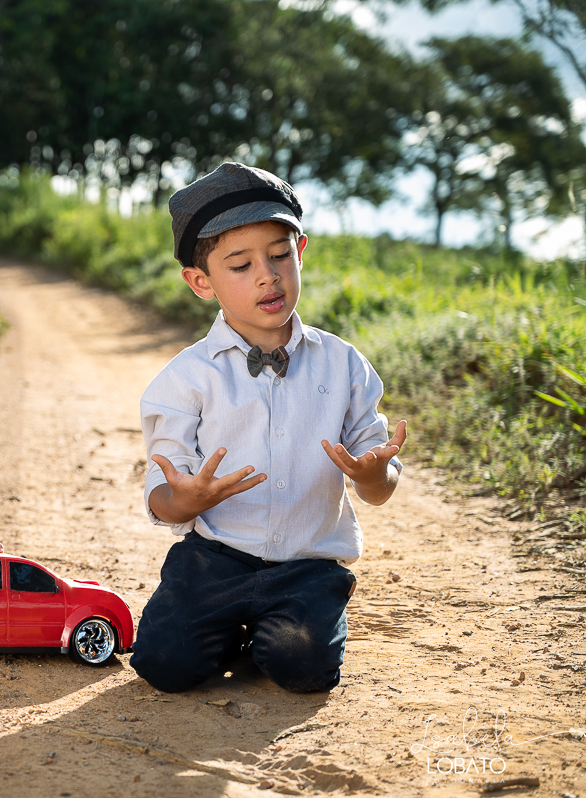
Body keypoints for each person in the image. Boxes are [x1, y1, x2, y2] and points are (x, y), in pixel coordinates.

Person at [130, 163, 407, 693]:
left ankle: (291, 624)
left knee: (303, 666)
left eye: (279, 254)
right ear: (200, 282)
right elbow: (162, 492)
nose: (268, 275)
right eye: (241, 264)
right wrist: (184, 500)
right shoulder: (186, 377)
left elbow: (379, 482)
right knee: (164, 664)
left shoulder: (343, 364)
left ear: (300, 252)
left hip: (306, 565)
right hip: (213, 560)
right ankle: (234, 630)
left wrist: (374, 475)